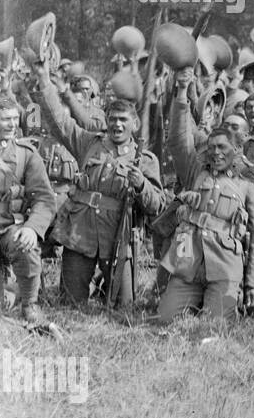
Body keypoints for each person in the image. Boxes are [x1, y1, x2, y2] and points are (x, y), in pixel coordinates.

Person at [34, 66, 166, 308]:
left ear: (134, 124)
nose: (117, 125)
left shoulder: (144, 159)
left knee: (124, 307)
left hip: (117, 238)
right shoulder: (89, 143)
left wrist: (140, 186)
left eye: (123, 120)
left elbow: (156, 205)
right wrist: (45, 82)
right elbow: (60, 123)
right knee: (69, 304)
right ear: (106, 121)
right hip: (80, 233)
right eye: (112, 119)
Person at [158, 70, 254, 322]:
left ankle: (224, 302)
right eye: (212, 147)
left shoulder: (247, 183)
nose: (216, 153)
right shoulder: (195, 170)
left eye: (223, 148)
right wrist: (182, 92)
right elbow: (177, 138)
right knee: (166, 319)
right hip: (188, 263)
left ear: (237, 150)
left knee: (215, 325)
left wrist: (253, 284)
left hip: (225, 267)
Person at [0, 98, 56, 328]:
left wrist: (32, 228)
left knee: (25, 244)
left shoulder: (26, 154)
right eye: (6, 119)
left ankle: (30, 305)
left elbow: (44, 199)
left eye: (15, 119)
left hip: (6, 228)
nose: (12, 124)